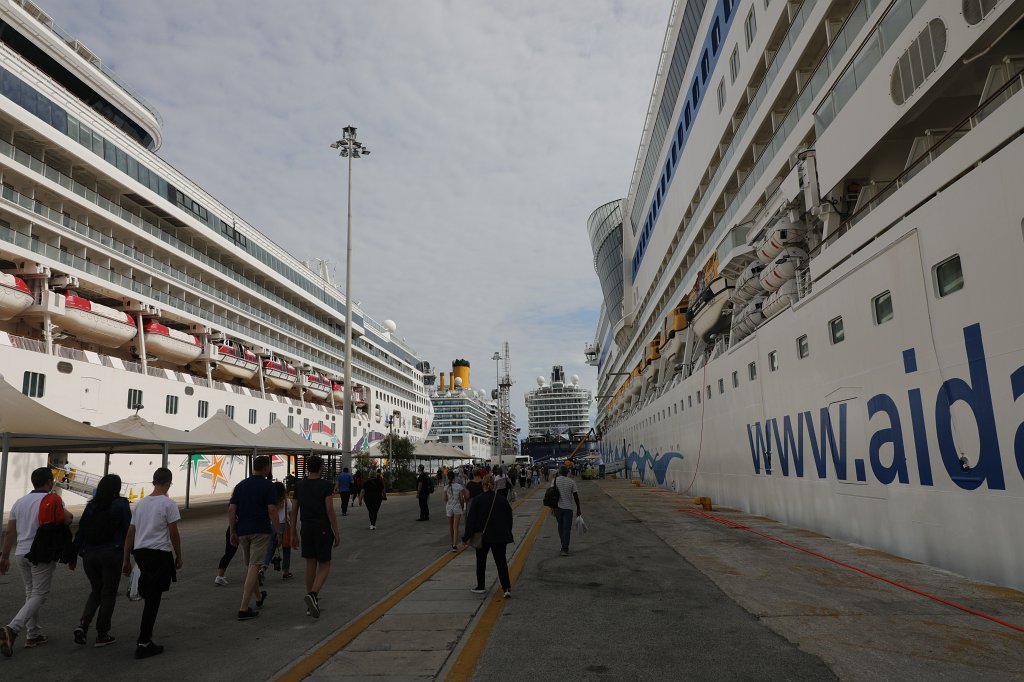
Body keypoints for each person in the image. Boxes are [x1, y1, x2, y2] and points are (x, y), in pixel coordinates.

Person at [0, 467, 74, 656]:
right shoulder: (51, 499)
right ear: (49, 482)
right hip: (41, 553)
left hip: (21, 554)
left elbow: (10, 532)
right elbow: (68, 519)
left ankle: (33, 634)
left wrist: (5, 556)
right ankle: (12, 628)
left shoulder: (19, 502)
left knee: (31, 593)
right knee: (39, 595)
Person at [121, 467, 182, 659]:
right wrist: (178, 555)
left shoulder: (141, 504)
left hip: (141, 553)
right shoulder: (168, 504)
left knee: (150, 595)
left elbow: (131, 533)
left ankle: (145, 637)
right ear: (168, 483)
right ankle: (144, 641)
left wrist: (125, 559)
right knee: (153, 600)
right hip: (159, 554)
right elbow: (173, 532)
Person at [73, 474, 131, 647]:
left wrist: (74, 554)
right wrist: (129, 556)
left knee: (96, 590)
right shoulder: (121, 504)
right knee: (108, 593)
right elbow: (128, 529)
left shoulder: (91, 506)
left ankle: (83, 625)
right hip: (112, 553)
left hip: (90, 555)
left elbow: (81, 530)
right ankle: (102, 634)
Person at [227, 456, 279, 621]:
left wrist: (233, 531)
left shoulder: (240, 486)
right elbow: (272, 509)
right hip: (261, 531)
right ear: (266, 468)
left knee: (250, 566)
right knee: (254, 566)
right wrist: (278, 530)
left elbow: (231, 509)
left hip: (243, 531)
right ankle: (243, 608)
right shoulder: (268, 486)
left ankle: (258, 597)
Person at [289, 455, 339, 618]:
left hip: (306, 528)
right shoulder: (325, 485)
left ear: (307, 468)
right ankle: (313, 595)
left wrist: (293, 532)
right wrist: (336, 532)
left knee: (310, 564)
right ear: (321, 467)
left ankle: (311, 605)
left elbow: (294, 510)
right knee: (324, 565)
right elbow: (330, 509)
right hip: (322, 528)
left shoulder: (299, 486)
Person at [462, 475, 513, 598]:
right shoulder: (502, 500)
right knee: (501, 562)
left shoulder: (478, 500)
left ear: (483, 485)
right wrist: (507, 532)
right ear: (494, 485)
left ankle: (481, 586)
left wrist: (466, 537)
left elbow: (471, 520)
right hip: (500, 536)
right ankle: (506, 587)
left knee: (481, 561)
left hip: (483, 536)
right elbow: (509, 518)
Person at [262, 482, 293, 580]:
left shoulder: (270, 502)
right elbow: (291, 516)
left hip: (272, 526)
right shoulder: (287, 502)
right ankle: (285, 571)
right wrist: (293, 530)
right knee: (286, 549)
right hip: (284, 526)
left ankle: (263, 568)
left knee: (270, 549)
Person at [552, 466, 583, 556]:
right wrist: (578, 508)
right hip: (568, 508)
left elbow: (552, 494)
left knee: (560, 527)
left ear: (559, 472)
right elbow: (576, 496)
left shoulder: (554, 481)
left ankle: (563, 545)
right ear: (567, 473)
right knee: (566, 529)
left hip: (557, 508)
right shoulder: (571, 481)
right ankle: (564, 548)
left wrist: (552, 508)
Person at [442, 470, 466, 552]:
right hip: (457, 507)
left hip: (449, 507)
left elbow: (445, 499)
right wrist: (462, 506)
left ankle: (452, 542)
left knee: (451, 526)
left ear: (448, 478)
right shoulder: (459, 486)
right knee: (456, 527)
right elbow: (461, 498)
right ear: (454, 477)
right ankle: (455, 545)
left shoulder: (446, 487)